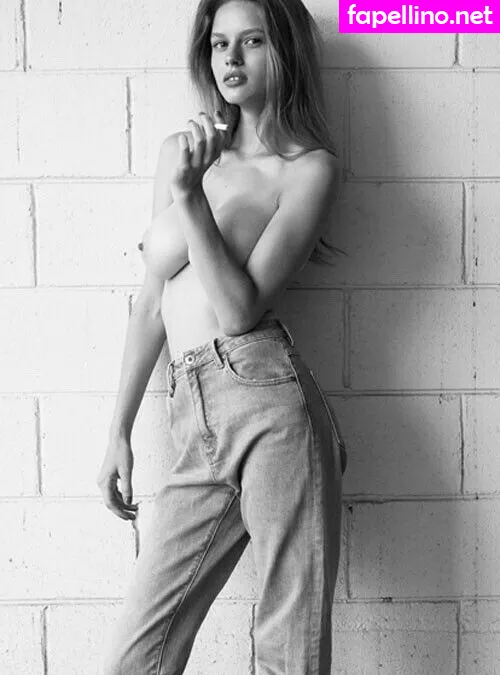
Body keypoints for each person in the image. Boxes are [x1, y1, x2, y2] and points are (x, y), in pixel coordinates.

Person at [97, 0, 347, 672]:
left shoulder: (308, 170)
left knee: (288, 651)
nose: (230, 58)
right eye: (218, 43)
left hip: (268, 403)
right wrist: (119, 429)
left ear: (285, 52)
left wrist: (191, 197)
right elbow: (152, 302)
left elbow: (239, 309)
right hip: (191, 407)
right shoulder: (178, 153)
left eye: (252, 41)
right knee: (137, 656)